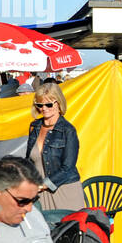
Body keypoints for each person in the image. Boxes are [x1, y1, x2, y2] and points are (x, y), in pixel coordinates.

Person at [25, 81, 85, 211]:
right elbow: (28, 161)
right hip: (40, 192)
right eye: (40, 104)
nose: (44, 108)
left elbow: (68, 167)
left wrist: (43, 185)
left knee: (66, 230)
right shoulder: (34, 127)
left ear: (58, 104)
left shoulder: (68, 131)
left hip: (64, 191)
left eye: (48, 104)